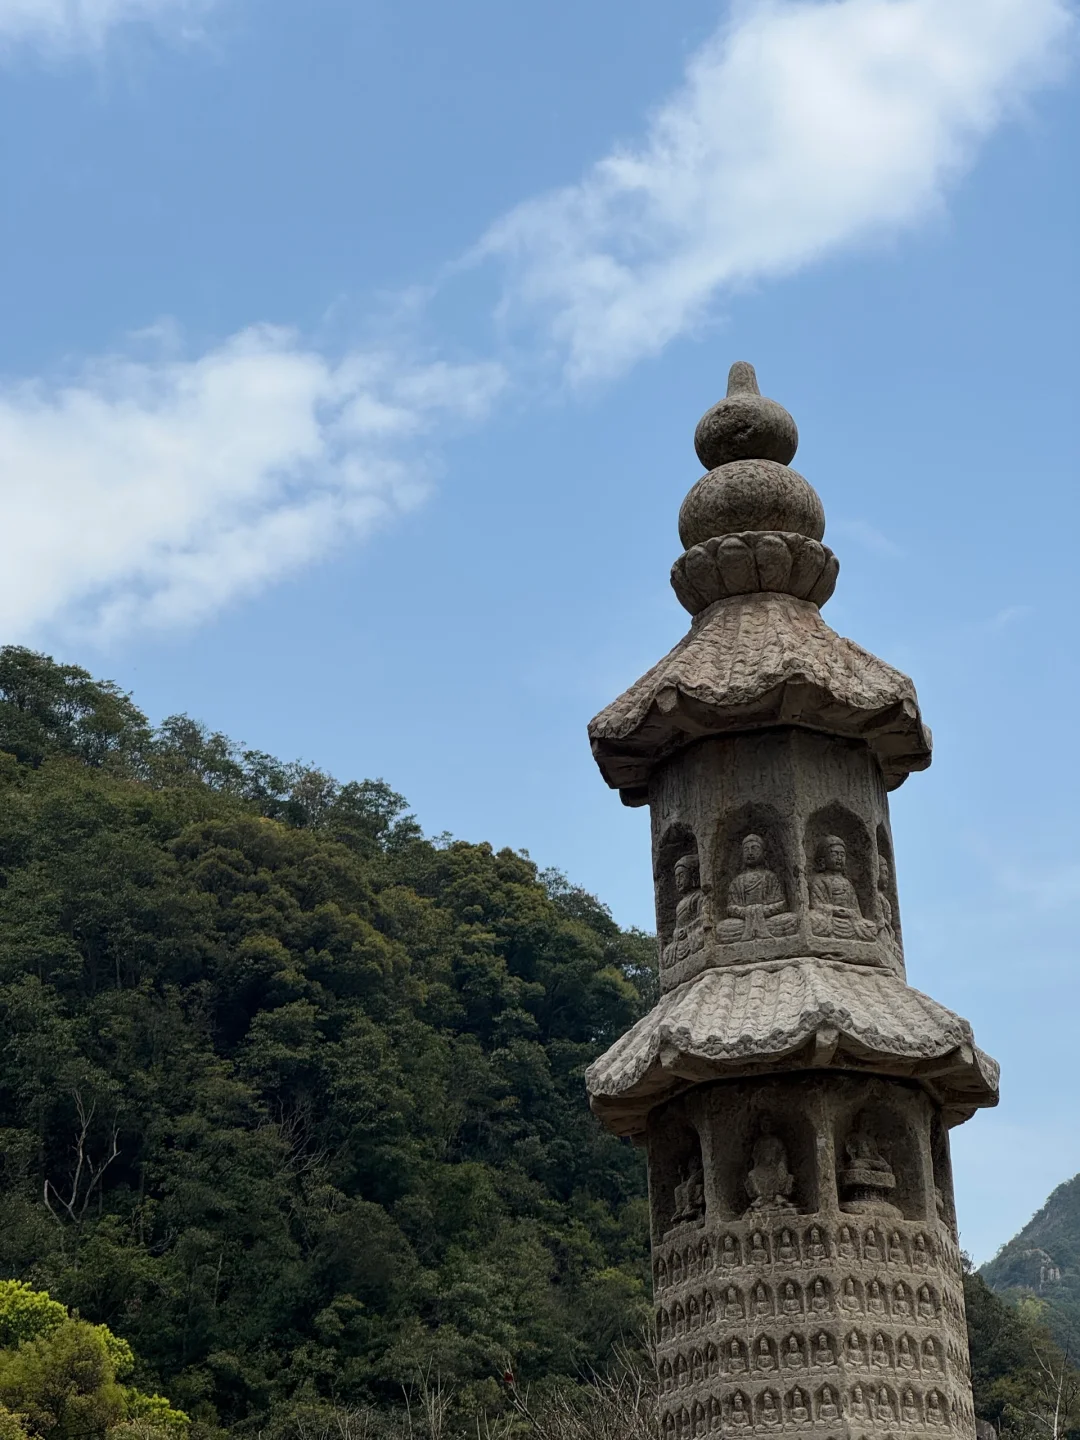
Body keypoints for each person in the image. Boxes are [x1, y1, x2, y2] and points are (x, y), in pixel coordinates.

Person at [718, 833, 796, 941]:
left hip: (768, 919)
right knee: (722, 928)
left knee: (792, 920)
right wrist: (747, 912)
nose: (750, 852)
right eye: (746, 850)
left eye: (754, 849)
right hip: (744, 922)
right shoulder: (737, 881)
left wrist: (761, 911)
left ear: (763, 853)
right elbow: (731, 908)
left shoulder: (770, 877)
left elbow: (782, 904)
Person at [809, 835, 876, 940]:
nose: (839, 858)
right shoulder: (819, 880)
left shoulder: (847, 883)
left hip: (849, 920)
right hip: (829, 918)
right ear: (823, 860)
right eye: (835, 854)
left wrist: (849, 913)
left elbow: (855, 909)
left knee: (871, 928)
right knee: (811, 921)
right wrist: (834, 910)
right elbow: (816, 905)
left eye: (842, 855)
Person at [662, 853, 706, 969]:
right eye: (677, 878)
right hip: (683, 941)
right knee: (667, 954)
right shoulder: (680, 904)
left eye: (682, 876)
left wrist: (687, 930)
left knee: (703, 936)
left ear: (693, 876)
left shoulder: (698, 896)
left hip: (694, 934)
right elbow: (677, 927)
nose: (679, 881)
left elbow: (703, 918)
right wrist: (678, 933)